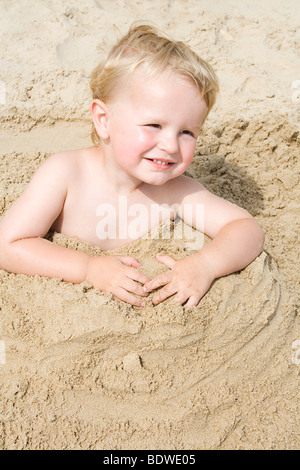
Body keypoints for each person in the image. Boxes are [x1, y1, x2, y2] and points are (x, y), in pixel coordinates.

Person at [0, 23, 264, 308]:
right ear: (104, 120)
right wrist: (88, 268)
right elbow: (9, 244)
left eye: (187, 132)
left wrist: (205, 264)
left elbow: (246, 229)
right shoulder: (65, 174)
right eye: (154, 125)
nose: (171, 145)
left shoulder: (176, 192)